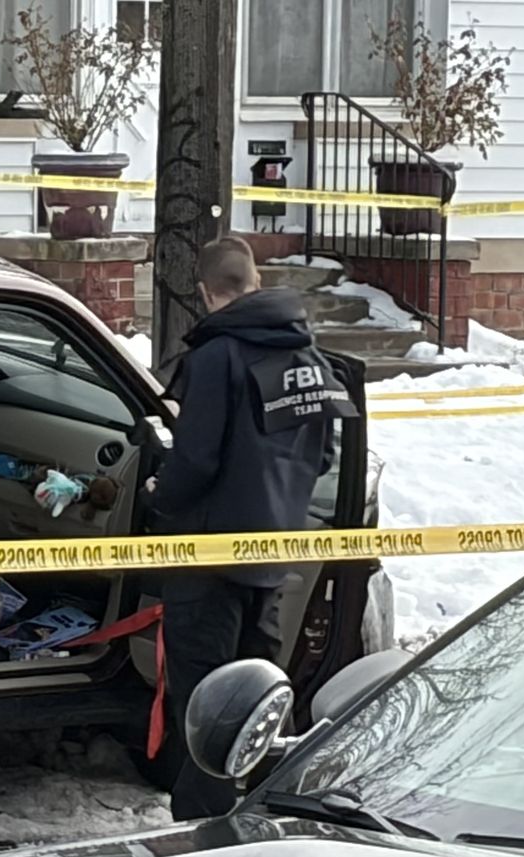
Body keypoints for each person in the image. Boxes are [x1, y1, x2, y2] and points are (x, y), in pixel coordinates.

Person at [148, 237, 356, 821]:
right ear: (255, 281)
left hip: (208, 556)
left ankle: (200, 823)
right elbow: (323, 456)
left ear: (204, 291)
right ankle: (269, 806)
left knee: (207, 701)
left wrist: (161, 502)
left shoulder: (215, 358)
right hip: (273, 554)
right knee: (262, 693)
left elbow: (195, 461)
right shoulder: (311, 357)